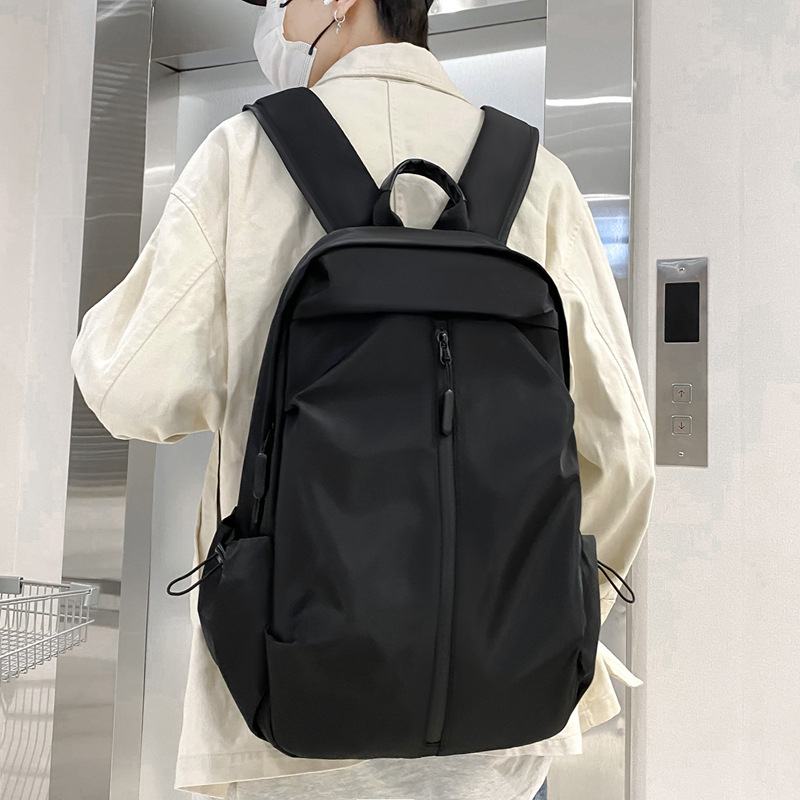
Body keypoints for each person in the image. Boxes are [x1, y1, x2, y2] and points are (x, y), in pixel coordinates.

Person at [70, 0, 655, 798]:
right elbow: (625, 454)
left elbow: (126, 386)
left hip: (292, 711)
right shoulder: (538, 176)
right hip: (503, 723)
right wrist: (534, 618)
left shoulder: (245, 158)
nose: (277, 19)